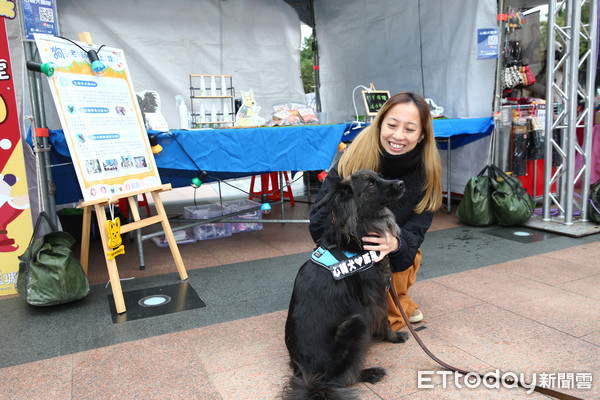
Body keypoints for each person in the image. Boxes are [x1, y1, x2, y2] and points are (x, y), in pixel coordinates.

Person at [309, 91, 442, 331]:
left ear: (422, 135)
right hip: (348, 248)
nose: (398, 136)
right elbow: (319, 217)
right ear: (380, 124)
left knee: (381, 318)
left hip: (389, 253)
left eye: (410, 129)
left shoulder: (427, 171)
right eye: (391, 125)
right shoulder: (354, 156)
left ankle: (397, 298)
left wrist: (396, 245)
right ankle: (394, 301)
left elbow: (417, 229)